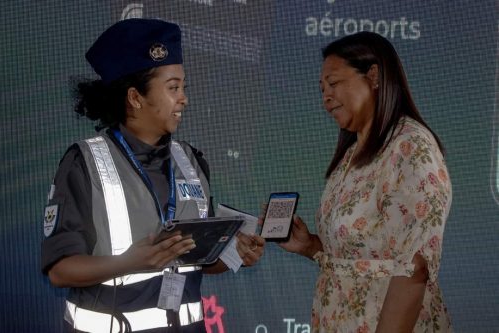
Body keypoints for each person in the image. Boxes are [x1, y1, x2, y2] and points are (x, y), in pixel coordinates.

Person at [41, 18, 265, 333]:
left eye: (183, 87)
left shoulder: (191, 162)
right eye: (173, 88)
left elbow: (195, 261)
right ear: (135, 98)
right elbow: (59, 270)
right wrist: (129, 262)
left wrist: (232, 255)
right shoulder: (84, 162)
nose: (184, 98)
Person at [278, 31, 453, 332]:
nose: (325, 99)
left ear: (373, 76)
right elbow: (361, 256)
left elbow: (415, 267)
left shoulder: (411, 147)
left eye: (333, 84)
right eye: (322, 90)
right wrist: (310, 246)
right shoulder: (350, 156)